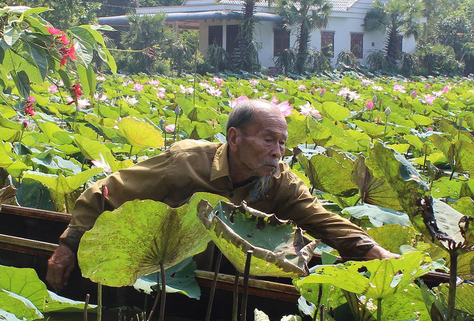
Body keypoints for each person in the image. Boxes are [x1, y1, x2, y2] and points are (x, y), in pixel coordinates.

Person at [45, 98, 396, 291]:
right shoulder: (186, 163)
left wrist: (376, 253)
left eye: (283, 143)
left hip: (236, 275)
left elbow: (325, 222)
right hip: (165, 273)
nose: (278, 152)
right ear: (234, 138)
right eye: (269, 140)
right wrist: (68, 245)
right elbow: (108, 191)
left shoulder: (281, 181)